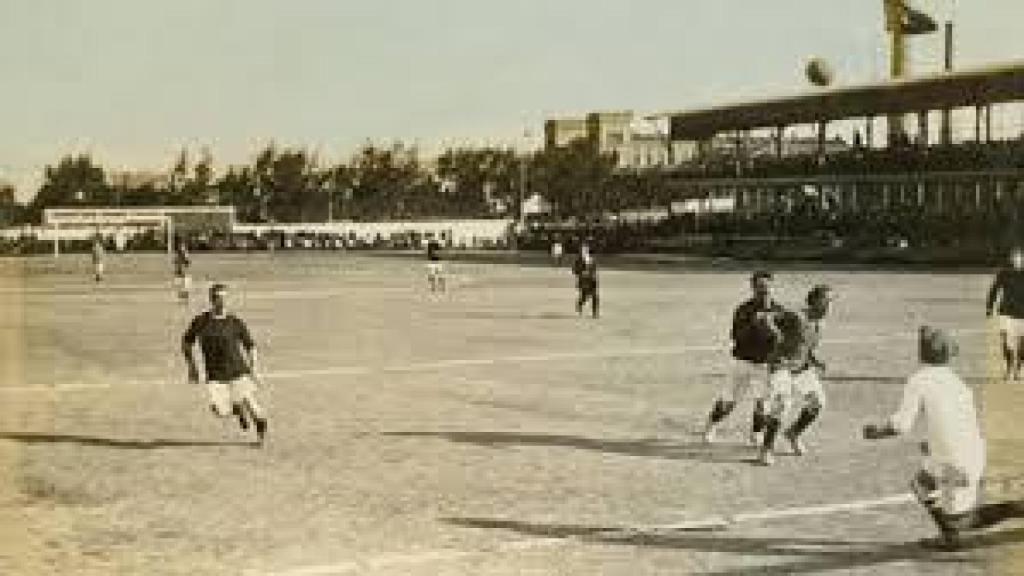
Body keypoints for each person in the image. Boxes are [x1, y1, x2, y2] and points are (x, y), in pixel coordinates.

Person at [863, 326, 986, 550]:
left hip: (952, 462)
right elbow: (960, 424)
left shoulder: (919, 380)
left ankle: (952, 536)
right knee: (932, 488)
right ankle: (952, 533)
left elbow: (901, 426)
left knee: (928, 492)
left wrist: (876, 432)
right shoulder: (958, 383)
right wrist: (932, 444)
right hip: (973, 454)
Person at [703, 271, 784, 445]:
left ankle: (756, 433)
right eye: (760, 287)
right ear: (753, 288)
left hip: (765, 365)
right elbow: (735, 336)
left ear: (772, 287)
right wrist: (753, 324)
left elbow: (783, 340)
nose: (764, 290)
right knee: (728, 402)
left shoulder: (779, 311)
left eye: (767, 287)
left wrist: (772, 329)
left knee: (763, 403)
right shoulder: (743, 309)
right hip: (742, 362)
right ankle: (712, 425)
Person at [182, 283, 268, 445]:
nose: (221, 301)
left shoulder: (235, 322)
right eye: (217, 298)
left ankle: (260, 439)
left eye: (224, 298)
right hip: (215, 375)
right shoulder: (201, 321)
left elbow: (250, 346)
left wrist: (254, 369)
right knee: (221, 412)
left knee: (256, 411)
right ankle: (238, 408)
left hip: (238, 371)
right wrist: (192, 366)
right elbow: (186, 343)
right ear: (211, 300)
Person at [758, 284, 833, 466]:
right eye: (827, 300)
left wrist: (815, 361)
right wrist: (776, 334)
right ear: (815, 301)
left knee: (818, 403)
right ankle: (766, 449)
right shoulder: (796, 316)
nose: (830, 306)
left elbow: (805, 346)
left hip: (801, 368)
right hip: (780, 365)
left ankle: (793, 433)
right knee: (783, 404)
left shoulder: (820, 324)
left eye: (832, 301)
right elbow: (765, 318)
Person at [986, 246, 1024, 381]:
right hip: (1006, 312)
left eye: (1019, 257)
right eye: (1014, 257)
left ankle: (1018, 370)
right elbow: (994, 289)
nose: (1016, 259)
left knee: (1022, 344)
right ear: (1011, 259)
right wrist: (989, 308)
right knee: (1007, 342)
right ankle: (1008, 368)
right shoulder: (1004, 273)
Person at [572, 243, 599, 318]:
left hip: (592, 280)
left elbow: (594, 269)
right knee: (584, 296)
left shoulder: (592, 259)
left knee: (595, 296)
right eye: (583, 250)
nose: (584, 251)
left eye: (586, 250)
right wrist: (581, 272)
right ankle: (579, 304)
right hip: (583, 281)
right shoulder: (578, 260)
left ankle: (595, 313)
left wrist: (593, 274)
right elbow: (574, 270)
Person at [173, 238, 192, 302]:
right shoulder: (179, 255)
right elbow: (177, 262)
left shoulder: (184, 254)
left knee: (184, 283)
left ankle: (184, 296)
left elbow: (187, 262)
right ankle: (182, 296)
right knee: (181, 283)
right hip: (180, 271)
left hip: (182, 271)